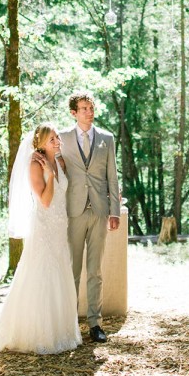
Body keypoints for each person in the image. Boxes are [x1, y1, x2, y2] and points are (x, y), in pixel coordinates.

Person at [0, 123, 82, 354]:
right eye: (51, 139)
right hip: (44, 227)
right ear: (40, 143)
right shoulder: (35, 165)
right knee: (42, 274)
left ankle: (62, 332)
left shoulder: (58, 160)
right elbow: (45, 200)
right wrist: (50, 176)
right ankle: (39, 335)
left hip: (60, 226)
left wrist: (57, 168)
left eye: (57, 138)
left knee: (60, 272)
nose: (57, 142)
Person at [59, 91, 121, 343]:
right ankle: (70, 322)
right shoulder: (61, 138)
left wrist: (114, 211)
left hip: (98, 210)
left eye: (91, 108)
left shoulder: (107, 138)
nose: (89, 112)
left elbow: (112, 177)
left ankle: (95, 324)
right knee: (72, 270)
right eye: (83, 108)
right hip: (72, 211)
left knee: (95, 270)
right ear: (73, 112)